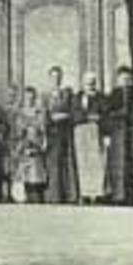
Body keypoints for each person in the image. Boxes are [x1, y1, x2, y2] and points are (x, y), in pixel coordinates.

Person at [39, 67, 78, 204]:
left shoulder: (67, 94)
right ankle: (53, 196)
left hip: (65, 133)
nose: (56, 79)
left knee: (66, 162)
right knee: (52, 164)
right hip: (52, 133)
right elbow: (44, 116)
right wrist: (44, 136)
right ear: (50, 78)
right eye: (53, 77)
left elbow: (73, 112)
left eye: (58, 77)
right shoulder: (45, 96)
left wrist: (62, 116)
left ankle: (68, 195)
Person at [103, 67, 133, 206]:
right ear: (118, 80)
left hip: (132, 134)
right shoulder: (113, 95)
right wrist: (107, 134)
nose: (125, 82)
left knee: (132, 164)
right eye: (123, 79)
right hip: (117, 134)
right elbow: (106, 114)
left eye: (128, 79)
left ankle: (131, 196)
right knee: (117, 164)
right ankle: (117, 195)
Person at [73, 73, 107, 204]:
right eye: (88, 83)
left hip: (95, 132)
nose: (90, 85)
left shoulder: (100, 97)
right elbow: (74, 114)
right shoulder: (77, 97)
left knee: (96, 164)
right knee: (82, 164)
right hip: (80, 133)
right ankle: (84, 194)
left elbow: (103, 113)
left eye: (93, 82)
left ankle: (96, 194)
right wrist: (87, 117)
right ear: (83, 84)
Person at [15, 87, 49, 203]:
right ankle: (27, 193)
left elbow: (43, 129)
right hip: (24, 143)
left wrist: (43, 141)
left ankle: (37, 194)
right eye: (27, 98)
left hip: (36, 142)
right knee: (26, 170)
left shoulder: (39, 112)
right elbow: (18, 130)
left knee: (37, 169)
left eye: (31, 98)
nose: (29, 100)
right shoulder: (20, 112)